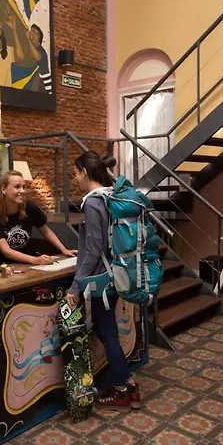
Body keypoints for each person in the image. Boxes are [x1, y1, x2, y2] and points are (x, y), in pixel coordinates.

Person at [66, 151, 141, 413]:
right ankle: (128, 384)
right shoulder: (111, 196)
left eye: (76, 173)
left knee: (108, 333)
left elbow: (94, 247)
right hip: (117, 274)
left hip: (101, 280)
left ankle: (122, 388)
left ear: (84, 172)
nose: (75, 179)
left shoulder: (93, 202)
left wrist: (76, 285)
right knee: (107, 331)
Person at [0, 170, 77, 267]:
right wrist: (35, 260)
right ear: (3, 189)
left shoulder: (30, 208)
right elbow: (6, 251)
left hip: (25, 264)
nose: (22, 191)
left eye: (23, 187)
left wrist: (64, 250)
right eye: (17, 187)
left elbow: (45, 231)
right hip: (1, 267)